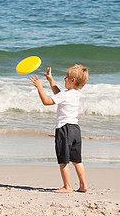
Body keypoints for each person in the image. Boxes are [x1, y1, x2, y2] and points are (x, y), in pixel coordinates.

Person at [29, 65, 89, 193]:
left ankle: (67, 187)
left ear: (72, 80)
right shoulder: (74, 94)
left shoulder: (65, 95)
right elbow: (59, 95)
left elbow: (46, 101)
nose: (64, 78)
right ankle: (83, 185)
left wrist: (39, 87)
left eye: (66, 77)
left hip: (64, 129)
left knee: (63, 161)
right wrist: (51, 80)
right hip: (75, 129)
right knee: (77, 161)